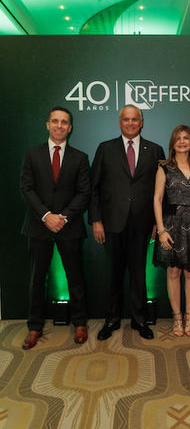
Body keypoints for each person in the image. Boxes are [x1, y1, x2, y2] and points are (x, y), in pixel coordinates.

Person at [89, 104, 165, 340]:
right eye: (125, 119)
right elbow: (94, 188)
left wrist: (156, 223)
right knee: (113, 274)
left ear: (141, 122)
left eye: (134, 119)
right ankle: (111, 320)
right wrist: (96, 220)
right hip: (111, 223)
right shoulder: (105, 148)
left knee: (139, 274)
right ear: (119, 122)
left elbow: (160, 191)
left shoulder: (155, 150)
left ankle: (139, 320)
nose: (130, 123)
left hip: (142, 223)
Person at [21, 106, 90, 349]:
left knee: (75, 277)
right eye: (55, 121)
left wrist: (63, 217)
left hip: (68, 227)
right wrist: (46, 216)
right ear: (47, 125)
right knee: (37, 278)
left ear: (70, 128)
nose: (60, 126)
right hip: (39, 226)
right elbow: (27, 189)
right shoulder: (32, 154)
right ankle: (34, 326)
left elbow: (84, 193)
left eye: (64, 122)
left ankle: (80, 322)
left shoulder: (80, 158)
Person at [153, 125, 190, 337]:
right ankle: (176, 318)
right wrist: (160, 230)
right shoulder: (164, 167)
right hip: (171, 226)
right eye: (178, 138)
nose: (182, 141)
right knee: (173, 272)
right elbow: (157, 199)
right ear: (172, 143)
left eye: (186, 137)